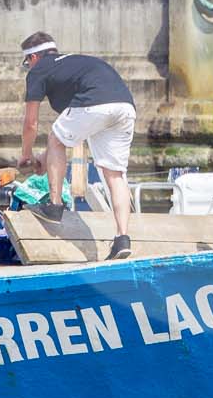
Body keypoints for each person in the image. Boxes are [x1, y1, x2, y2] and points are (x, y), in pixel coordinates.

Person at [16, 31, 136, 260]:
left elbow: (31, 123)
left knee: (54, 136)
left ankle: (54, 206)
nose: (28, 68)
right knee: (115, 175)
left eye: (26, 63)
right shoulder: (75, 65)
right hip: (125, 106)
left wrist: (26, 155)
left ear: (33, 58)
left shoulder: (39, 70)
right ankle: (122, 238)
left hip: (96, 105)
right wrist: (45, 159)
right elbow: (75, 133)